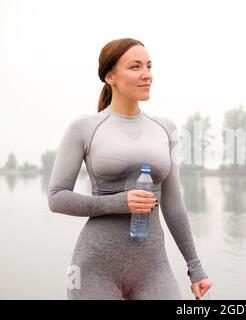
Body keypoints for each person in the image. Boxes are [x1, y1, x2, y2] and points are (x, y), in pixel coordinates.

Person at [47, 38, 212, 300]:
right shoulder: (85, 127)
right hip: (94, 269)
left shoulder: (165, 129)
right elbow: (57, 198)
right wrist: (119, 203)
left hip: (154, 269)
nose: (146, 75)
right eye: (135, 67)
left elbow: (173, 204)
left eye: (148, 66)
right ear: (110, 76)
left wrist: (195, 267)